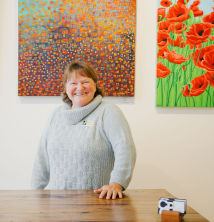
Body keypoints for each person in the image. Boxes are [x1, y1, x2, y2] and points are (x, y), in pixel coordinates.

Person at [31, 61, 136, 199]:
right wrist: (34, 194)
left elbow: (126, 149)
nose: (79, 87)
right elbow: (41, 159)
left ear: (95, 84)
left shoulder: (108, 112)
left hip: (96, 204)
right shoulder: (56, 115)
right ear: (66, 87)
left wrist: (117, 183)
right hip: (57, 204)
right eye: (73, 83)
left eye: (85, 81)